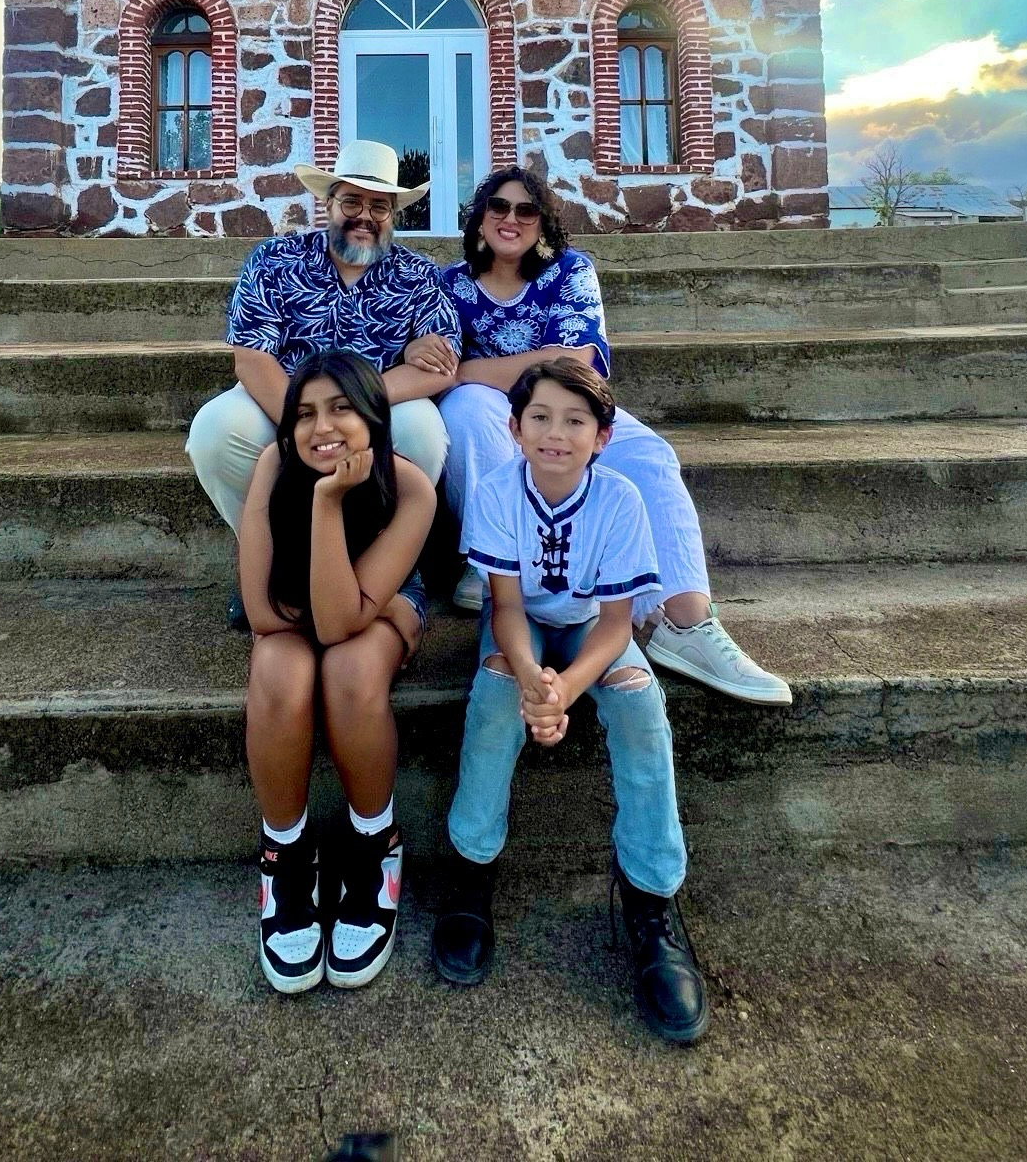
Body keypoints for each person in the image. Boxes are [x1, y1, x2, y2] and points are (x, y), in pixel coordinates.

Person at [406, 165, 790, 706]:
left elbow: (581, 362)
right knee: (469, 409)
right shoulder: (447, 284)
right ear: (479, 217)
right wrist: (510, 366)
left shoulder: (569, 270)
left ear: (542, 222)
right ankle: (491, 563)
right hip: (498, 414)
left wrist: (475, 368)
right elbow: (442, 369)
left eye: (525, 210)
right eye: (497, 206)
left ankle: (685, 622)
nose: (510, 219)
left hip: (571, 404)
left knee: (650, 455)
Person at [430, 356, 708, 1045]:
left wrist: (564, 695)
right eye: (541, 419)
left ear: (602, 435)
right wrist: (530, 681)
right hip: (519, 627)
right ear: (515, 427)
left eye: (575, 420)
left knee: (641, 701)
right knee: (495, 695)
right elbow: (505, 605)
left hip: (588, 628)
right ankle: (471, 869)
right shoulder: (497, 491)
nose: (557, 434)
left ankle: (650, 894)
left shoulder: (618, 499)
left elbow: (615, 624)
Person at [186, 139, 461, 623]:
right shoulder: (274, 260)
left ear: (393, 213)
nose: (364, 216)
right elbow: (252, 360)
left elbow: (440, 366)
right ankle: (270, 565)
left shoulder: (419, 276)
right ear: (327, 203)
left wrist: (354, 407)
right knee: (215, 431)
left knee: (421, 430)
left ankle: (382, 564)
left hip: (377, 409)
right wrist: (304, 426)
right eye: (351, 201)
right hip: (285, 399)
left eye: (379, 205)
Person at [242, 349, 436, 993]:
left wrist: (330, 505)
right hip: (291, 603)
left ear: (375, 419)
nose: (320, 428)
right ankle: (285, 855)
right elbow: (264, 611)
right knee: (278, 669)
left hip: (377, 602)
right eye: (303, 414)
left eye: (341, 409)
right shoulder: (275, 465)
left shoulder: (410, 487)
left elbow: (342, 625)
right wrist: (318, 502)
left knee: (349, 670)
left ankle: (373, 844)